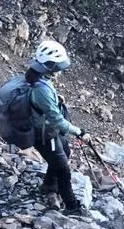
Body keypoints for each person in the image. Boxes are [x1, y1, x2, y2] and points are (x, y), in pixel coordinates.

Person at [27, 41, 90, 214]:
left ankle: (48, 185)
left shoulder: (37, 76)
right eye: (58, 66)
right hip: (45, 135)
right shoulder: (42, 90)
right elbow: (57, 121)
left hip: (45, 128)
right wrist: (80, 132)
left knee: (66, 151)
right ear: (49, 66)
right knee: (63, 170)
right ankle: (72, 207)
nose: (61, 70)